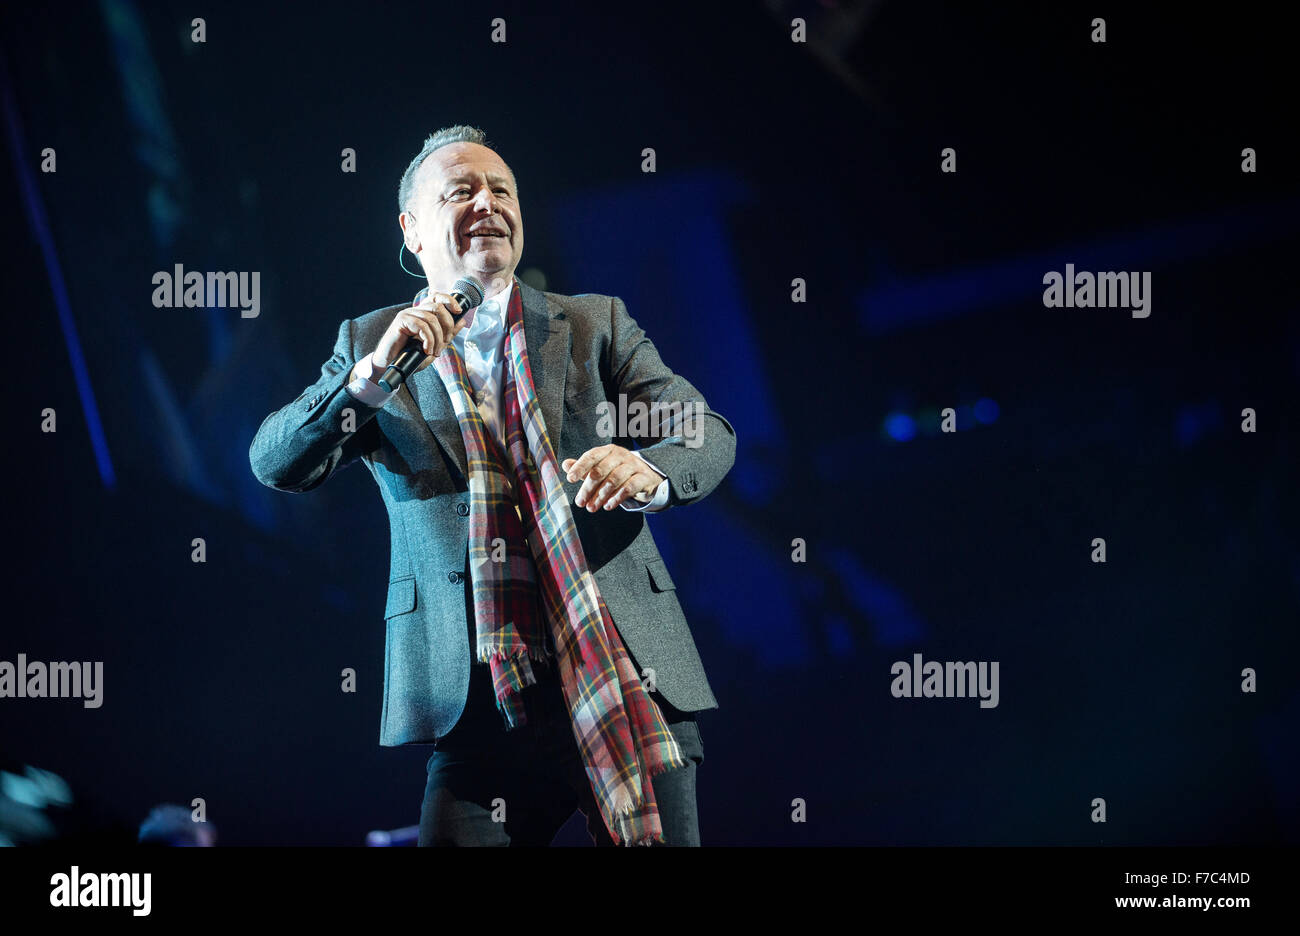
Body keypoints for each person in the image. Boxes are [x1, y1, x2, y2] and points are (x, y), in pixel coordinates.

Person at [249, 125, 736, 846]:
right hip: (478, 706)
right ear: (412, 231)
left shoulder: (590, 324)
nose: (488, 203)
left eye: (501, 190)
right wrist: (371, 379)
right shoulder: (371, 342)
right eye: (461, 191)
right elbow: (276, 461)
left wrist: (652, 470)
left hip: (625, 671)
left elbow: (705, 431)